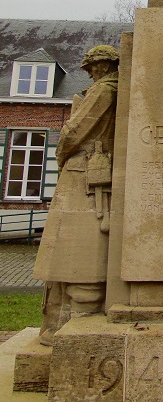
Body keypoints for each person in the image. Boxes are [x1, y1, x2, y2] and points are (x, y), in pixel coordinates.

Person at [33, 45, 119, 346]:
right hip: (88, 170)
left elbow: (74, 132)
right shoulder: (102, 90)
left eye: (93, 67)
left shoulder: (103, 91)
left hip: (84, 171)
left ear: (104, 66)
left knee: (75, 248)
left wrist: (60, 153)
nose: (90, 72)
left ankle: (71, 318)